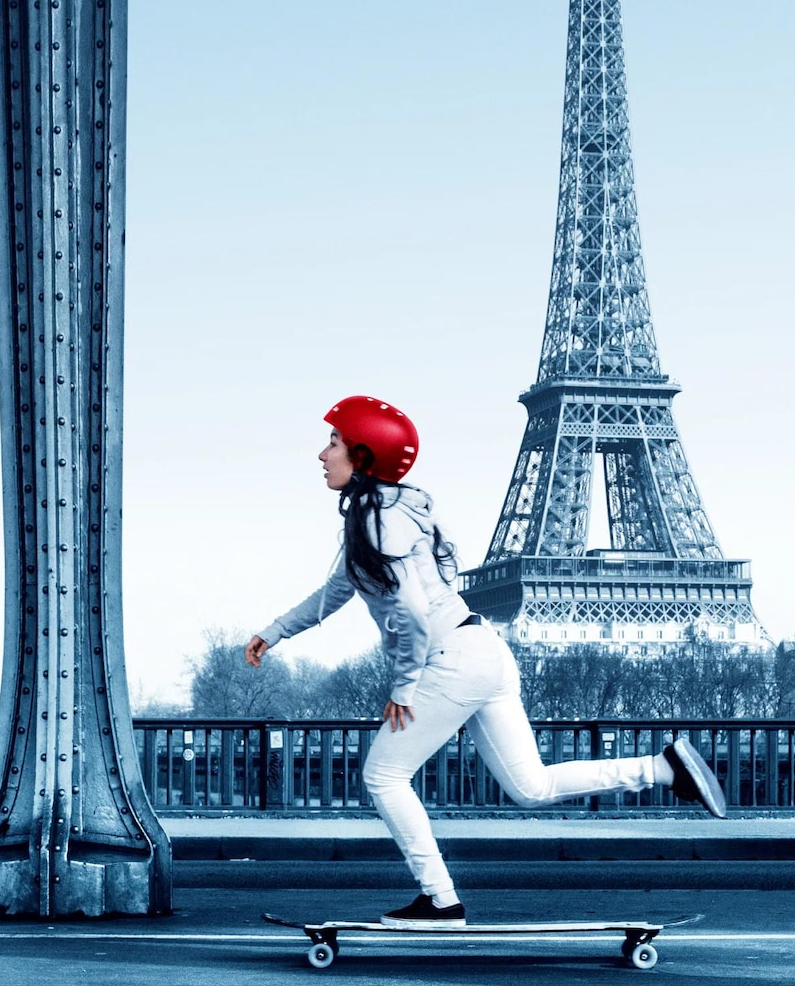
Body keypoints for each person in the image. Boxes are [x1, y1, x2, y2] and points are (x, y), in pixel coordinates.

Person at [245, 395, 727, 928]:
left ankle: (439, 899)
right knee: (530, 787)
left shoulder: (378, 523)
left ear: (362, 455)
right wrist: (275, 632)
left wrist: (404, 685)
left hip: (450, 659)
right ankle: (660, 768)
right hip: (484, 651)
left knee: (383, 775)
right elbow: (334, 592)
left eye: (333, 442)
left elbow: (409, 612)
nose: (322, 453)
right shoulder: (387, 517)